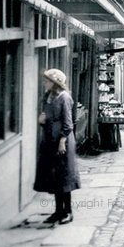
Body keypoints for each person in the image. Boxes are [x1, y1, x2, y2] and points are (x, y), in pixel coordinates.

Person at [34, 69, 80, 225]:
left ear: (55, 83)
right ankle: (58, 211)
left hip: (62, 141)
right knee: (54, 177)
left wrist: (62, 140)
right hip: (49, 140)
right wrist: (42, 121)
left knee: (64, 176)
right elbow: (47, 116)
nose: (44, 83)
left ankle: (68, 212)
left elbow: (68, 123)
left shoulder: (64, 97)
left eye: (47, 81)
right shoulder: (48, 96)